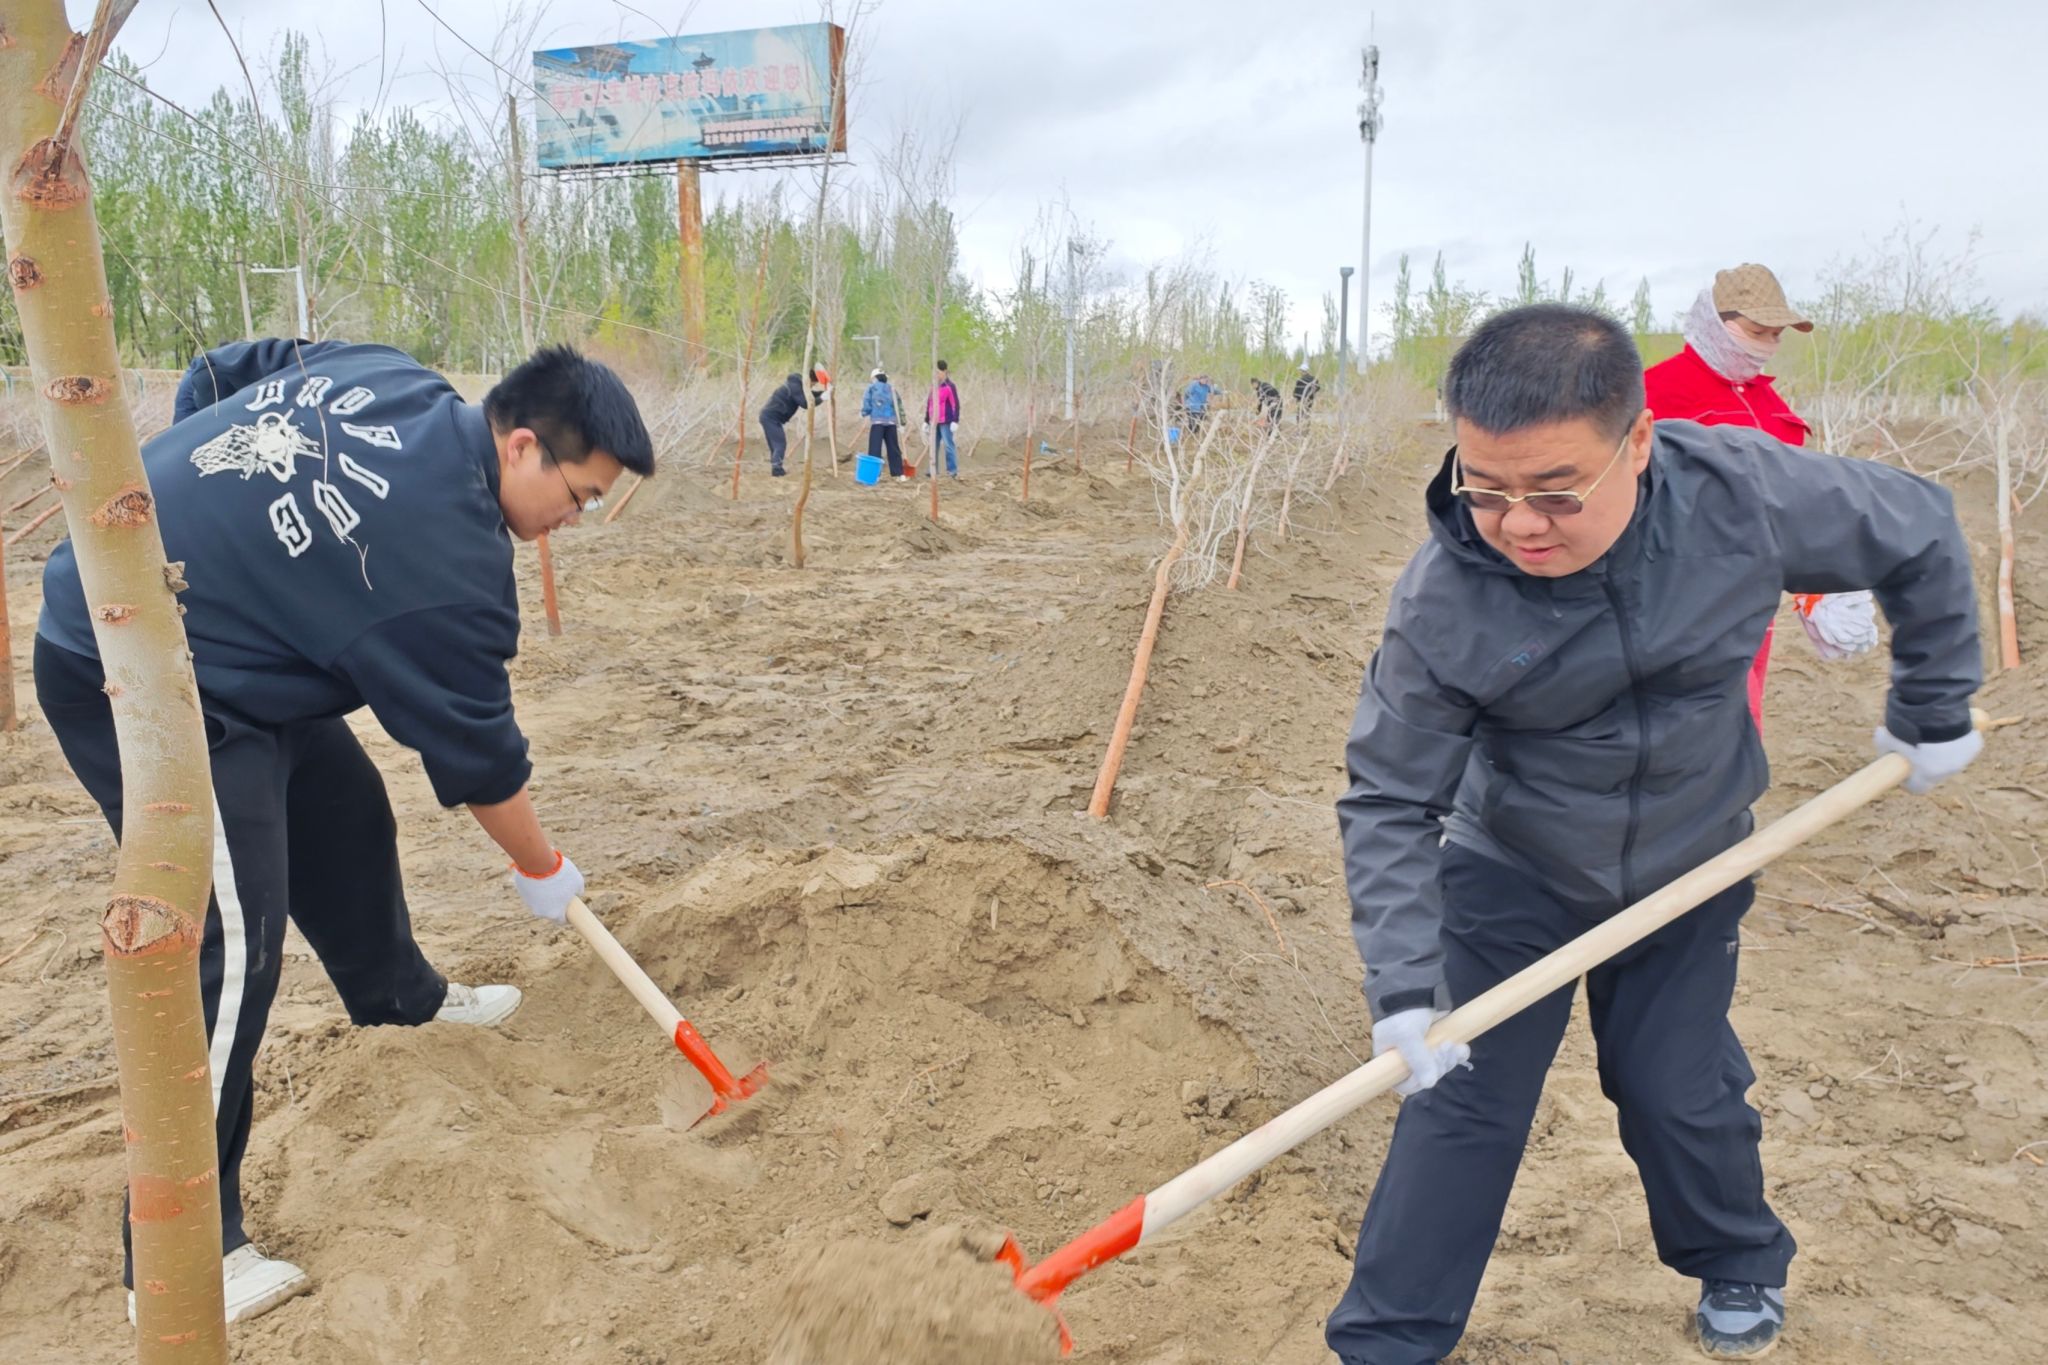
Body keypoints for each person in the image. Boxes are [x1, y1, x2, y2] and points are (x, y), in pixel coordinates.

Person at [1325, 305, 1982, 1364]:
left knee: (1673, 1085)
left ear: (1636, 441)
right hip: (1517, 864)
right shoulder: (1444, 603)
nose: (1519, 525)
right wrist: (1404, 987)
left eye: (1555, 492)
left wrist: (1932, 705)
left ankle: (1737, 1257)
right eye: (1484, 489)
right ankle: (1388, 1341)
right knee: (1462, 1099)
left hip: (1692, 852)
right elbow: (1391, 798)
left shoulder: (1740, 495)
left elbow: (1917, 526)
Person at [35, 338, 654, 1326]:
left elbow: (223, 371)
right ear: (523, 446)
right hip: (132, 661)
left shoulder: (394, 376)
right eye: (578, 497)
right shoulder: (451, 562)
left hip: (237, 656)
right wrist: (542, 867)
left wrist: (223, 529)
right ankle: (178, 1250)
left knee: (346, 810)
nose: (572, 523)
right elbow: (482, 761)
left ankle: (401, 1001)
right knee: (234, 942)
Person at [1643, 263, 1878, 728]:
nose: (1766, 345)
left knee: (1741, 719)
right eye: (1756, 332)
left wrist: (1821, 581)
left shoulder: (1770, 406)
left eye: (1775, 335)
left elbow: (1794, 504)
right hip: (1677, 600)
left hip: (1751, 601)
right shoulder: (1652, 393)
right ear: (1715, 322)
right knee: (1690, 722)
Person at [759, 365, 830, 477]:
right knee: (780, 444)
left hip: (770, 417)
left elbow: (810, 395)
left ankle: (776, 467)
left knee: (776, 445)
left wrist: (823, 393)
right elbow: (806, 403)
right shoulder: (796, 386)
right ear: (810, 380)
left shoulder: (798, 385)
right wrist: (822, 398)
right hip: (770, 418)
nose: (813, 386)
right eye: (813, 384)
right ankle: (777, 470)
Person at [862, 367, 906, 480]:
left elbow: (867, 403)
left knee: (875, 449)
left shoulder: (871, 388)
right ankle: (899, 474)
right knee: (893, 448)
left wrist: (864, 413)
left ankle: (874, 475)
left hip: (877, 422)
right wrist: (902, 423)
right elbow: (898, 406)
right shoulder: (892, 389)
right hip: (891, 423)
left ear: (874, 378)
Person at [924, 359, 962, 479]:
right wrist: (926, 420)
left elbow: (955, 404)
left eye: (938, 372)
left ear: (944, 371)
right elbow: (929, 403)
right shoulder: (933, 386)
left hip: (946, 421)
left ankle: (952, 470)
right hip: (934, 421)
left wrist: (955, 420)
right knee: (933, 446)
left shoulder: (950, 386)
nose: (936, 375)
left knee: (948, 445)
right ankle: (933, 469)